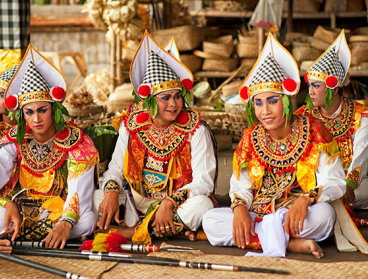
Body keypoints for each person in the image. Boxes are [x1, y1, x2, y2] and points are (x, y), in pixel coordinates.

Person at [202, 33, 346, 258]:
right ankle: (291, 244)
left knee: (325, 216)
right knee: (210, 221)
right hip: (259, 212)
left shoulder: (316, 130)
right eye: (258, 103)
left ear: (287, 101)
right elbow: (241, 187)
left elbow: (335, 182)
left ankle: (263, 237)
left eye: (273, 101)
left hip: (297, 214)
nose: (265, 111)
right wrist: (239, 208)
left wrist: (305, 199)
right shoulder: (250, 137)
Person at [93, 31, 216, 244]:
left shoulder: (196, 130)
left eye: (178, 96)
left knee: (203, 205)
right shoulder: (131, 125)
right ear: (148, 100)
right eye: (165, 98)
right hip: (137, 201)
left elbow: (204, 182)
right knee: (96, 198)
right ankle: (170, 230)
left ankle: (133, 233)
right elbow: (115, 170)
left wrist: (168, 203)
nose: (174, 104)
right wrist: (112, 193)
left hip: (176, 204)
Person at [0, 45, 98, 248]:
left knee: (88, 220)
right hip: (20, 210)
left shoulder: (75, 140)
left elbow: (78, 190)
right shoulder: (16, 139)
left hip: (57, 212)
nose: (36, 119)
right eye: (29, 112)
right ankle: (21, 233)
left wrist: (66, 223)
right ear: (22, 115)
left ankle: (14, 236)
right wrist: (1, 204)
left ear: (55, 109)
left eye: (42, 110)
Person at [295, 30, 368, 210]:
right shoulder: (304, 115)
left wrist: (348, 186)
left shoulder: (361, 116)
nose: (310, 91)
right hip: (315, 181)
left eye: (316, 85)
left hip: (352, 183)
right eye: (310, 85)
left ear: (334, 89)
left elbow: (361, 157)